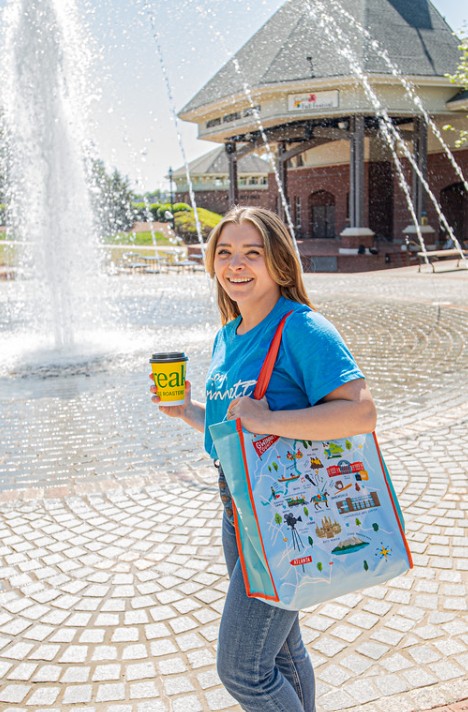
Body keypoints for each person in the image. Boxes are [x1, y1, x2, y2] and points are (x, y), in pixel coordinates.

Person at [150, 206, 377, 712]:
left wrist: (268, 421)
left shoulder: (301, 328)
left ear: (279, 262)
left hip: (282, 517)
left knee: (243, 669)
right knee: (282, 651)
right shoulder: (229, 333)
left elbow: (360, 413)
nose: (236, 264)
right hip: (238, 510)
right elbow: (237, 427)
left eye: (252, 252)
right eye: (225, 252)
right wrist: (186, 410)